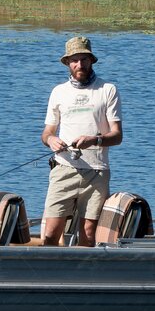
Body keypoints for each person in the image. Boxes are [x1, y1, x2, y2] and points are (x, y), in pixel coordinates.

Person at [40, 36, 122, 246]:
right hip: (64, 168)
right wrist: (51, 140)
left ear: (91, 60)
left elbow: (117, 136)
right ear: (68, 63)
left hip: (97, 172)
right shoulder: (59, 92)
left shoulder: (107, 90)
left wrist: (94, 140)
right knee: (50, 234)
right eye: (75, 60)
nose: (80, 65)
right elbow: (46, 132)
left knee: (87, 233)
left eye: (84, 59)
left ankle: (81, 276)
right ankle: (50, 274)